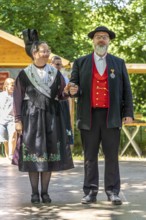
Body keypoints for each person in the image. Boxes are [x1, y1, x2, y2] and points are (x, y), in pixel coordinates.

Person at [65, 26, 133, 205]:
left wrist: (128, 113)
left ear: (109, 41)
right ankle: (90, 192)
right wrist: (72, 90)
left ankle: (112, 192)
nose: (101, 40)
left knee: (112, 156)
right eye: (97, 37)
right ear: (93, 41)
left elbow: (127, 90)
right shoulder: (80, 62)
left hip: (112, 116)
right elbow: (74, 88)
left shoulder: (118, 62)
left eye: (104, 37)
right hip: (89, 116)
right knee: (89, 156)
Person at [12, 41, 74, 204]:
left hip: (52, 118)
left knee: (49, 156)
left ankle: (45, 193)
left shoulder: (55, 73)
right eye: (43, 51)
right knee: (34, 156)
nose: (47, 54)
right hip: (31, 118)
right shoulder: (24, 74)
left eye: (48, 51)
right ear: (35, 53)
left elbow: (61, 95)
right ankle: (34, 193)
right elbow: (17, 98)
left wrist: (68, 92)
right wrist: (18, 120)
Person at [51, 56, 74, 145]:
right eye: (57, 64)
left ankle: (65, 150)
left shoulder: (65, 79)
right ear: (51, 64)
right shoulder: (46, 77)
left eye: (61, 65)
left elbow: (69, 97)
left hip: (62, 105)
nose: (59, 66)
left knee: (64, 127)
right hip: (51, 105)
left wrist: (70, 112)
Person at [0, 78, 17, 160]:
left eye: (14, 85)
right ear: (6, 85)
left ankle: (11, 154)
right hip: (2, 120)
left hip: (12, 119)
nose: (13, 87)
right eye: (12, 85)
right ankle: (8, 156)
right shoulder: (1, 95)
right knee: (5, 140)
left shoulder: (17, 96)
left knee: (13, 135)